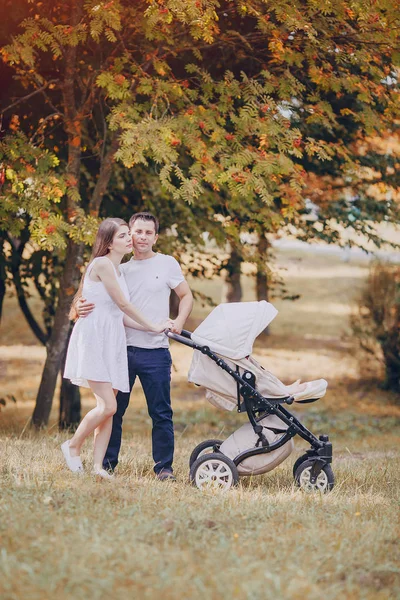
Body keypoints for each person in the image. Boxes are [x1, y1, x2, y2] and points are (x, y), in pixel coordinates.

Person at [76, 212, 193, 481]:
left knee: (161, 413)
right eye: (136, 232)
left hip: (156, 352)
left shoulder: (167, 264)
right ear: (129, 235)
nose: (141, 237)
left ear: (155, 236)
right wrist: (79, 306)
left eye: (147, 233)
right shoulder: (118, 268)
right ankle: (105, 464)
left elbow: (186, 295)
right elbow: (93, 296)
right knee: (112, 410)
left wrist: (178, 321)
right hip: (121, 350)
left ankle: (164, 468)